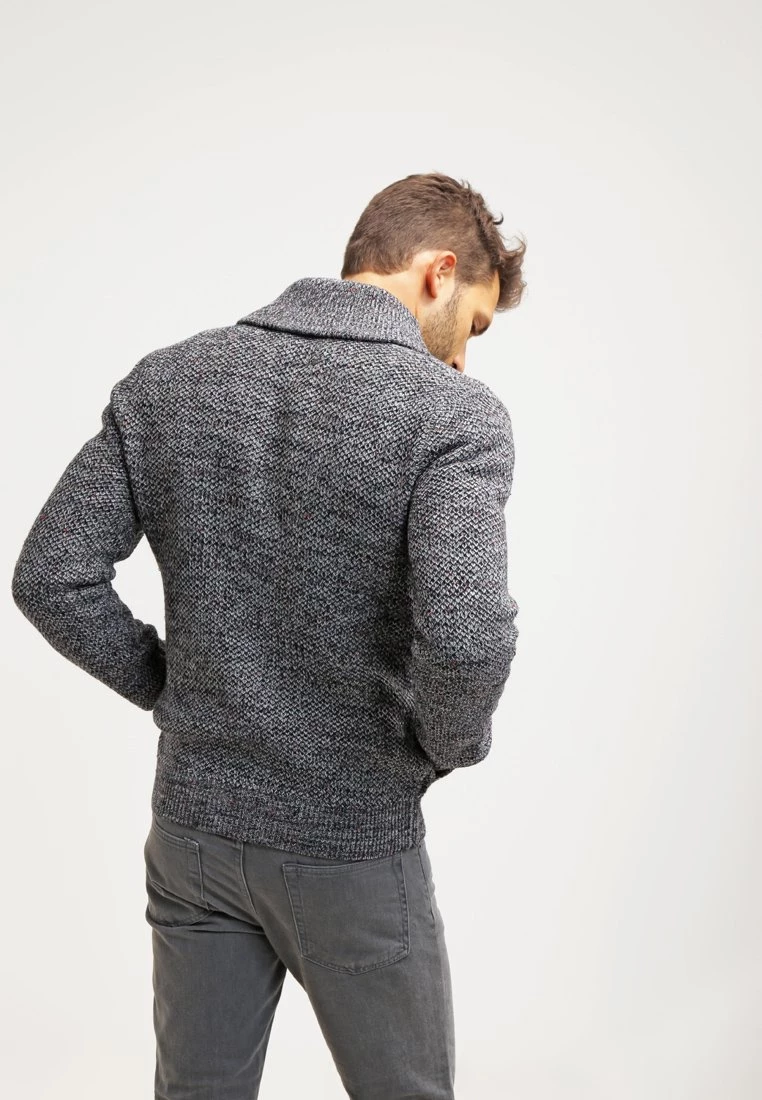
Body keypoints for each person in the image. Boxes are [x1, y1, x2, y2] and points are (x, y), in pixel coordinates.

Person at [11, 170, 526, 1099]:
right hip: (352, 839)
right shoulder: (452, 416)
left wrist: (177, 689)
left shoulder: (169, 381)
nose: (461, 360)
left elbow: (52, 575)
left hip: (194, 835)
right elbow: (467, 634)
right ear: (438, 272)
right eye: (475, 327)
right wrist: (446, 747)